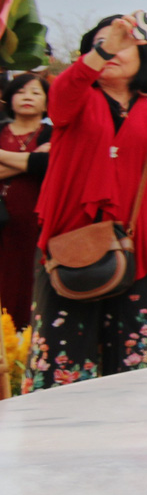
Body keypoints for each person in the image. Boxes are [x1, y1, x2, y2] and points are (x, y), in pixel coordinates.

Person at [30, 14, 147, 388]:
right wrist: (107, 45)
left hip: (137, 247)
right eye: (103, 41)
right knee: (63, 358)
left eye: (125, 42)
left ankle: (129, 439)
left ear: (144, 56)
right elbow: (61, 98)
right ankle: (58, 440)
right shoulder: (76, 98)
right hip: (72, 245)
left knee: (135, 357)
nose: (112, 47)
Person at [0, 73, 52, 327]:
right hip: (3, 222)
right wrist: (32, 161)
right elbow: (41, 165)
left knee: (33, 284)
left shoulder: (54, 134)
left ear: (46, 102)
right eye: (21, 91)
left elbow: (53, 167)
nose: (27, 97)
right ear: (10, 98)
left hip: (39, 223)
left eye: (35, 92)